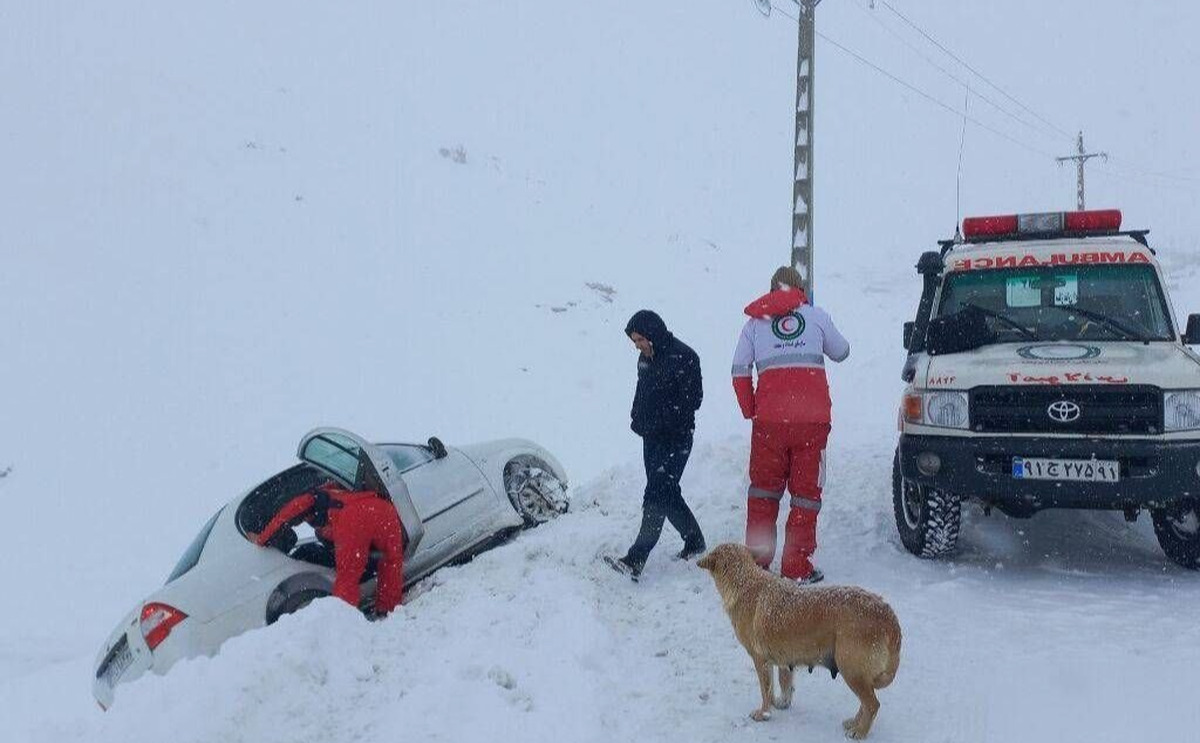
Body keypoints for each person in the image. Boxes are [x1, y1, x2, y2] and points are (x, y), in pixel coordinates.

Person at [731, 266, 849, 584]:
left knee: (763, 494)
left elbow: (739, 369)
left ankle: (756, 567)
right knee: (805, 497)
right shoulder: (817, 316)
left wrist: (751, 410)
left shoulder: (754, 325)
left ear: (771, 290)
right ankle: (796, 567)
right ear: (801, 290)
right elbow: (842, 351)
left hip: (769, 423)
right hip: (812, 422)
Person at [606, 309, 707, 581]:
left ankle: (636, 558)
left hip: (676, 439)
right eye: (635, 342)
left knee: (656, 493)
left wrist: (664, 417)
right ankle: (696, 543)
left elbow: (693, 400)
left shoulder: (684, 356)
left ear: (652, 334)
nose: (637, 346)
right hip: (651, 438)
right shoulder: (645, 358)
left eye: (640, 340)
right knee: (667, 492)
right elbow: (643, 392)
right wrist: (637, 417)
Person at [251, 469, 406, 616]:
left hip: (353, 519)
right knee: (391, 560)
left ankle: (341, 620)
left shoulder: (308, 499)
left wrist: (261, 539)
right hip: (383, 508)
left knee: (348, 577)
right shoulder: (331, 490)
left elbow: (284, 517)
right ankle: (388, 608)